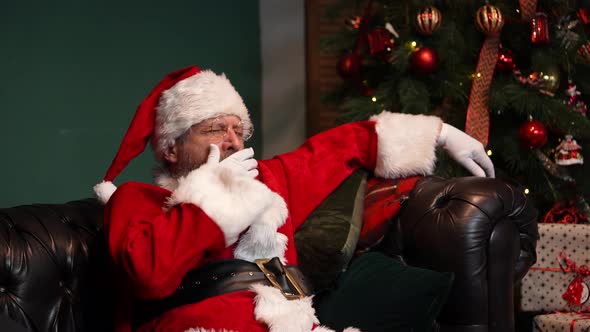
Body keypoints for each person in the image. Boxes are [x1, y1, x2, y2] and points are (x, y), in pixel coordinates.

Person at [95, 65, 494, 332]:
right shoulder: (136, 200)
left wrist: (439, 133)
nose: (233, 141)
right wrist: (213, 192)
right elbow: (148, 275)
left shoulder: (267, 182)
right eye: (216, 129)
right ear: (171, 148)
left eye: (238, 129)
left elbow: (338, 149)